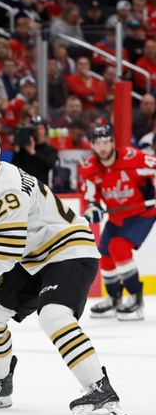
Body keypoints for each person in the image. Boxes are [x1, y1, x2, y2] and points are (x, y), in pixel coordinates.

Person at [0, 128, 126, 415]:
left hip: (70, 249)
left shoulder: (6, 187)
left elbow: (6, 251)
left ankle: (101, 391)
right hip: (35, 257)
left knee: (54, 315)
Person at [81, 125, 156, 321]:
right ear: (92, 146)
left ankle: (135, 300)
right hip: (117, 216)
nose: (103, 147)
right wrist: (93, 207)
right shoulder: (90, 168)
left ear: (112, 142)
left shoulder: (133, 157)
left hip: (142, 212)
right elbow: (91, 196)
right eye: (98, 143)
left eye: (106, 141)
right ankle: (114, 298)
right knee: (104, 252)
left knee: (118, 247)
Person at [11, 116, 59, 185]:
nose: (37, 131)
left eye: (40, 128)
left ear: (46, 131)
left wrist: (33, 153)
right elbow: (14, 169)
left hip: (42, 188)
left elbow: (51, 165)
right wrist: (17, 151)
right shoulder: (23, 150)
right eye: (34, 129)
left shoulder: (50, 150)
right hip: (25, 188)